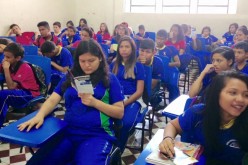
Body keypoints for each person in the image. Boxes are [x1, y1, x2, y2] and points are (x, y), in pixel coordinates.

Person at [18, 39, 124, 165]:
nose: (87, 65)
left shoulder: (110, 79)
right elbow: (53, 99)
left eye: (91, 61)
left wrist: (95, 102)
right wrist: (40, 115)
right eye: (82, 61)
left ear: (100, 58)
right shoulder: (70, 77)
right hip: (68, 132)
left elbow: (119, 112)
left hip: (97, 135)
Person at [159, 70, 248, 165]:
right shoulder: (197, 112)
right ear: (216, 94)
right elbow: (173, 125)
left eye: (246, 95)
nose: (240, 99)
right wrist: (167, 138)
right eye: (233, 93)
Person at [110, 35, 145, 153]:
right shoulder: (113, 65)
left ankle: (118, 150)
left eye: (127, 47)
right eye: (121, 47)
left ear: (132, 49)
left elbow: (139, 91)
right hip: (115, 98)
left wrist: (124, 103)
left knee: (125, 123)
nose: (124, 49)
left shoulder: (138, 66)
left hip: (132, 99)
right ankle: (108, 146)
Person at [0, 43, 40, 127]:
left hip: (29, 93)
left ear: (18, 58)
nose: (5, 59)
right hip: (18, 91)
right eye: (4, 56)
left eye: (8, 57)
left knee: (3, 94)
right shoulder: (9, 63)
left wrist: (6, 69)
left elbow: (11, 87)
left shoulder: (24, 67)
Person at [138, 38, 164, 108]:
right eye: (142, 51)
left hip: (150, 87)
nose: (144, 54)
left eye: (148, 52)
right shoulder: (135, 59)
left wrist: (145, 66)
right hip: (136, 86)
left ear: (154, 52)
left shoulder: (158, 62)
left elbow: (151, 85)